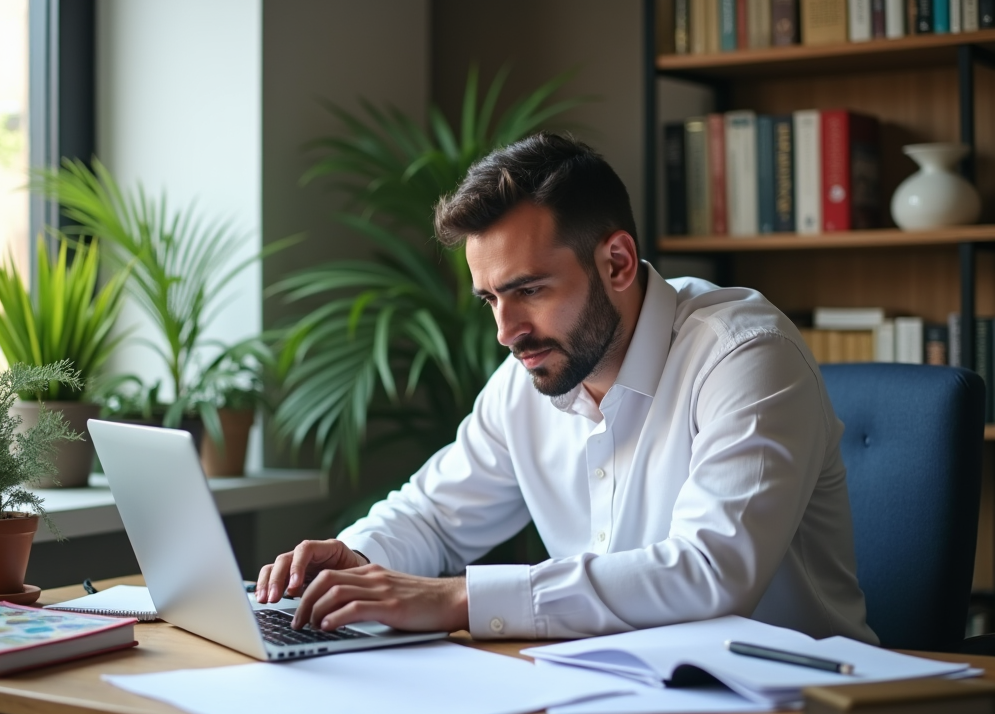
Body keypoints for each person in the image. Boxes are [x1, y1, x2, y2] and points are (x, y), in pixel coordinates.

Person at [258, 132, 877, 645]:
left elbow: (711, 572)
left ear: (617, 263)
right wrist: (355, 560)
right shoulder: (527, 380)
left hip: (795, 712)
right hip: (609, 698)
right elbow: (435, 518)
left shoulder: (745, 354)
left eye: (529, 290)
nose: (506, 331)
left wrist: (460, 598)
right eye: (490, 299)